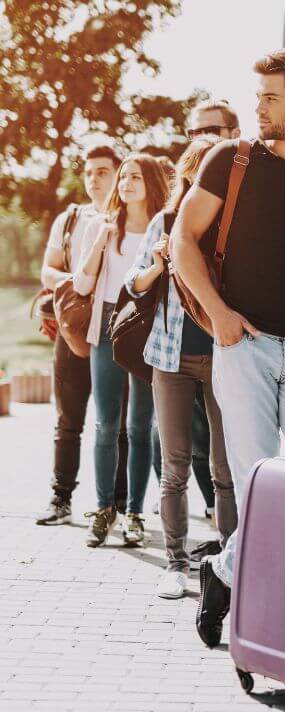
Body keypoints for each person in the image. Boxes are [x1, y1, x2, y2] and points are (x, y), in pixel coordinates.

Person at [174, 49, 285, 647]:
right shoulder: (231, 160)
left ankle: (222, 572)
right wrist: (219, 315)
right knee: (256, 491)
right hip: (244, 348)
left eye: (270, 97)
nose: (259, 108)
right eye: (258, 98)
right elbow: (182, 241)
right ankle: (273, 618)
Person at [125, 136, 237, 600]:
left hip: (224, 356)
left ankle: (232, 564)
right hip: (170, 358)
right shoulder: (166, 222)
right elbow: (133, 284)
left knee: (225, 470)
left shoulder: (235, 224)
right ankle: (175, 563)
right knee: (173, 466)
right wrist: (156, 265)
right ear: (189, 174)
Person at [73, 153, 169, 548]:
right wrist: (99, 242)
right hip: (108, 321)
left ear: (151, 183)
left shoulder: (163, 227)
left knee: (140, 426)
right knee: (105, 424)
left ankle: (134, 513)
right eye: (123, 176)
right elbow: (81, 286)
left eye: (135, 177)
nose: (126, 183)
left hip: (144, 325)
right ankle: (103, 510)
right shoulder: (104, 227)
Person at [37, 144, 128, 525]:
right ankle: (60, 499)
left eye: (103, 171)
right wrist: (82, 282)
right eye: (89, 172)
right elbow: (48, 272)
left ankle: (120, 508)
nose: (94, 179)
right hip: (74, 332)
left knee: (119, 424)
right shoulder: (70, 219)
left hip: (117, 333)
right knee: (68, 419)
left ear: (120, 173)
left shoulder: (135, 219)